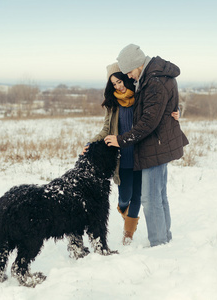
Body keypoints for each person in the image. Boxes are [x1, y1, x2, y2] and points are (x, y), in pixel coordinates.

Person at [85, 62, 179, 245]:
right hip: (121, 159)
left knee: (137, 196)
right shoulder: (112, 105)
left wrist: (177, 112)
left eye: (120, 81)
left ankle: (128, 233)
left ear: (127, 79)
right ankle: (126, 213)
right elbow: (106, 129)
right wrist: (92, 143)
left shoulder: (139, 96)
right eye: (114, 84)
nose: (119, 86)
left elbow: (157, 110)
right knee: (124, 197)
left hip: (140, 155)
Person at [105, 44, 189, 247]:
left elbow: (148, 122)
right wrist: (174, 110)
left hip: (154, 146)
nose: (129, 77)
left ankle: (159, 243)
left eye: (130, 72)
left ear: (138, 64)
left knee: (150, 200)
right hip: (158, 144)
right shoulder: (156, 76)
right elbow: (163, 106)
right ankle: (165, 239)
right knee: (160, 196)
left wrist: (121, 140)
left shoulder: (154, 81)